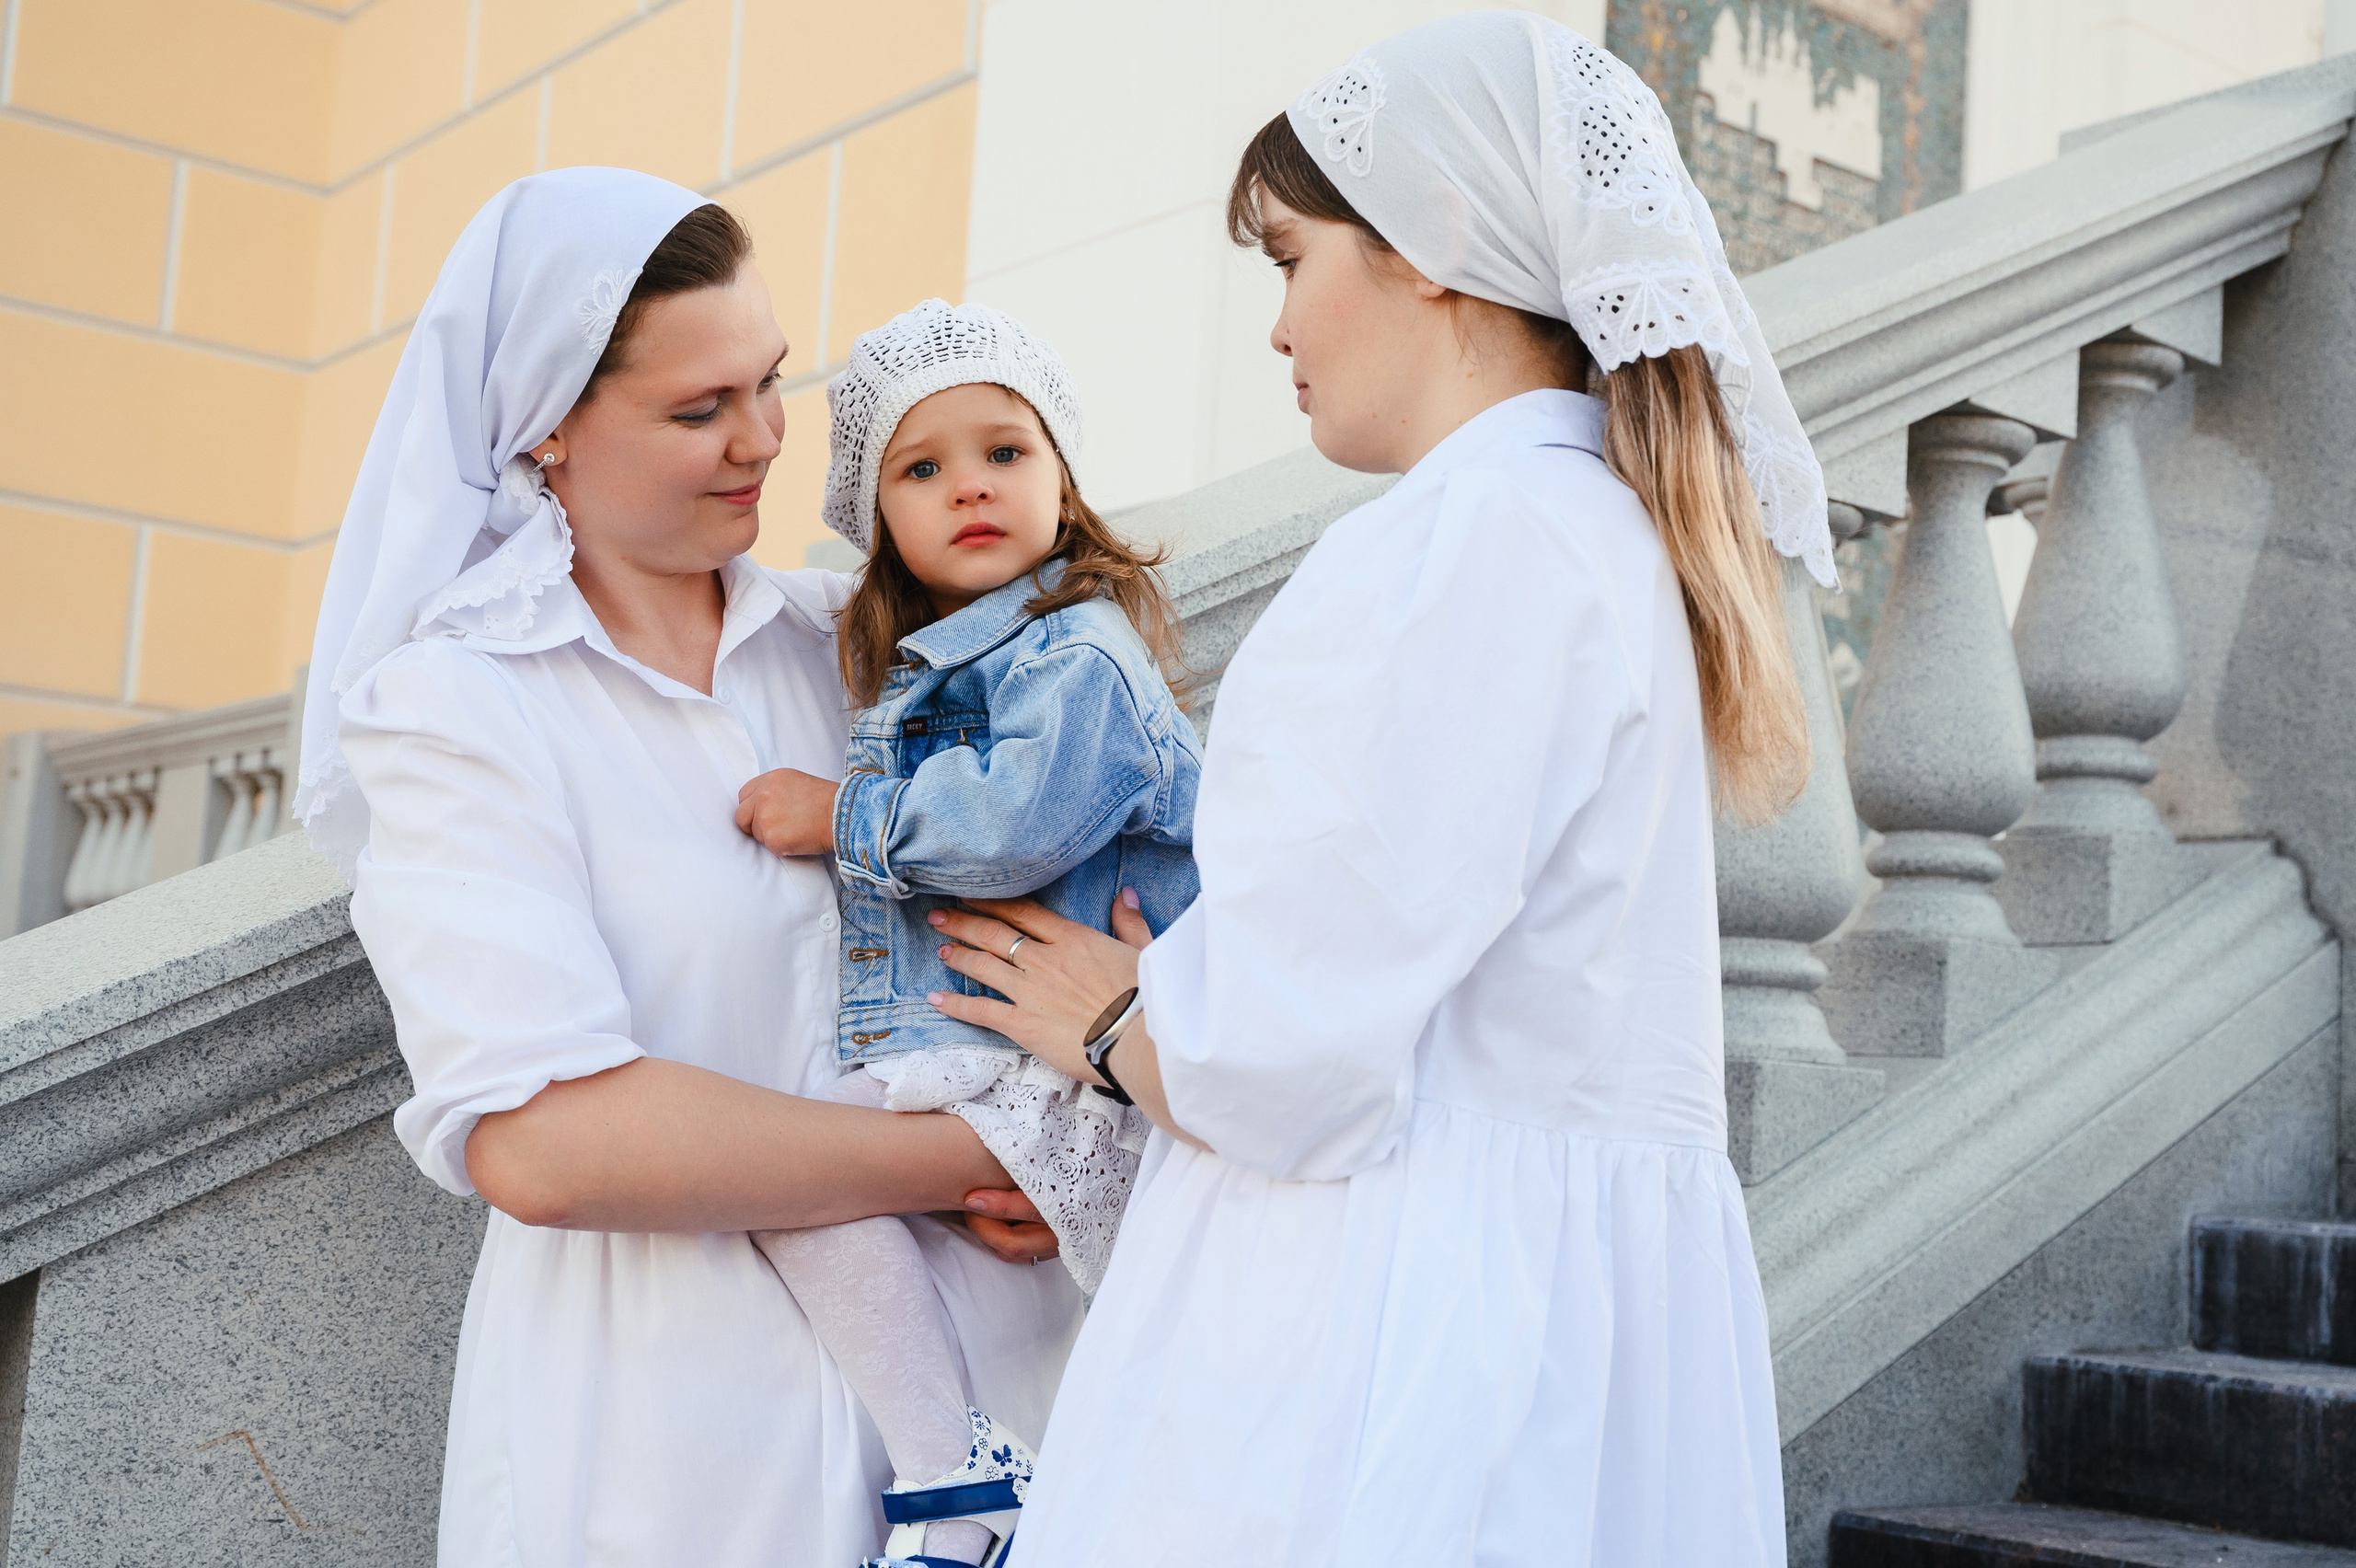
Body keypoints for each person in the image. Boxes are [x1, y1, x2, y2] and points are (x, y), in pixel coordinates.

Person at [906, 15, 1836, 1565]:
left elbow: (1292, 1049)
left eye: (1287, 260)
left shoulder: (1463, 543)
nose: (1277, 329)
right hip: (1541, 1324)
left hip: (1386, 1326)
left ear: (1431, 248)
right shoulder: (1602, 534)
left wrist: (1123, 1018)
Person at [295, 168, 1080, 1567]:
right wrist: (977, 1155)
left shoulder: (874, 649)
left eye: (772, 384)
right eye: (699, 409)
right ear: (546, 437)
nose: (764, 442)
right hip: (674, 1448)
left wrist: (1081, 1141)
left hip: (1012, 1399)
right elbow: (546, 1138)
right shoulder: (460, 708)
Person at [731, 298, 1201, 1568]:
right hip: (1007, 1046)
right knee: (802, 1188)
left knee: (796, 1185)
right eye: (922, 469)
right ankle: (966, 1473)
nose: (971, 487)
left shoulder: (1079, 653)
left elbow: (1013, 829)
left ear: (1063, 477)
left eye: (1007, 452)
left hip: (1067, 1055)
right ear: (880, 517)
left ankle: (958, 1481)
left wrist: (845, 815)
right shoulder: (939, 665)